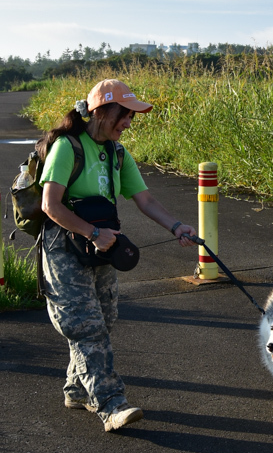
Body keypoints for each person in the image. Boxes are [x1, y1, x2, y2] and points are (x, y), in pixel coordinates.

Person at [38, 78, 197, 433]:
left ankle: (76, 389)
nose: (128, 122)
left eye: (131, 117)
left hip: (103, 247)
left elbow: (145, 200)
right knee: (86, 326)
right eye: (124, 115)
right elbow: (50, 205)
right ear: (101, 111)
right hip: (66, 248)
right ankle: (111, 404)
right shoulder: (68, 147)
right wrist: (92, 232)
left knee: (104, 319)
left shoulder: (118, 153)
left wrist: (177, 227)